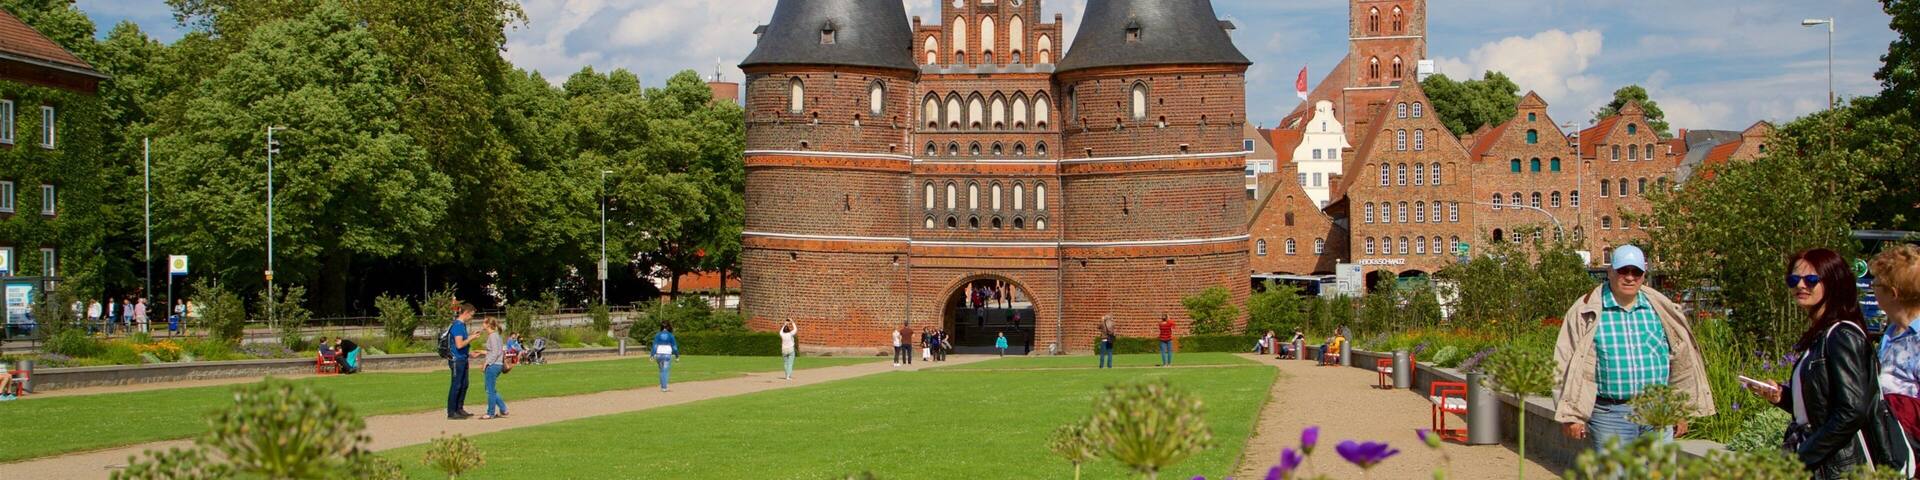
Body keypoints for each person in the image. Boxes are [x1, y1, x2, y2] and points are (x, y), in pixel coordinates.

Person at [1555, 245, 1714, 449]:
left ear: (1643, 275)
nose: (1630, 277)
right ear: (1610, 272)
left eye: (1636, 272)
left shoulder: (1659, 308)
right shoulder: (1585, 310)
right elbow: (1564, 362)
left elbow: (1679, 358)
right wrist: (1571, 415)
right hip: (1610, 415)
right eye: (1623, 271)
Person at [1744, 248, 1882, 477]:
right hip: (1821, 460)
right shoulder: (1822, 335)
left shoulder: (1842, 335)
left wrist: (1803, 458)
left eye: (1811, 279)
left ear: (1834, 283)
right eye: (1793, 279)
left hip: (1836, 466)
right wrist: (1784, 397)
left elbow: (1851, 410)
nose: (1800, 285)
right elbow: (1822, 407)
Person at [1873, 244, 1920, 442]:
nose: (1871, 285)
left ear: (1893, 293)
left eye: (1875, 282)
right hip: (1889, 443)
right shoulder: (1892, 333)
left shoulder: (1917, 341)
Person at [446, 305, 476, 420]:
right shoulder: (457, 326)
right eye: (471, 315)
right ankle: (452, 411)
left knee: (464, 384)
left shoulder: (462, 326)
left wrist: (469, 352)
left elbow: (462, 344)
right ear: (466, 312)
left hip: (463, 358)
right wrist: (471, 338)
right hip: (456, 360)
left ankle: (459, 408)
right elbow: (459, 345)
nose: (471, 318)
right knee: (456, 385)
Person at [479, 317, 509, 419]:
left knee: (490, 390)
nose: (482, 324)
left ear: (488, 324)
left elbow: (495, 353)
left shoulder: (492, 336)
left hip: (494, 365)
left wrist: (486, 364)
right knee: (490, 389)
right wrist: (479, 352)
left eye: (484, 322)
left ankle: (490, 413)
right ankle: (503, 409)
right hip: (497, 364)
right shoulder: (496, 336)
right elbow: (493, 351)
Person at [652, 321, 679, 392]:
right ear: (669, 327)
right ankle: (664, 387)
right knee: (665, 371)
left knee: (661, 371)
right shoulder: (670, 335)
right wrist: (677, 355)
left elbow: (655, 345)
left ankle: (662, 387)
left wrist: (652, 355)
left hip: (658, 354)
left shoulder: (658, 335)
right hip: (667, 354)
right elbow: (674, 347)